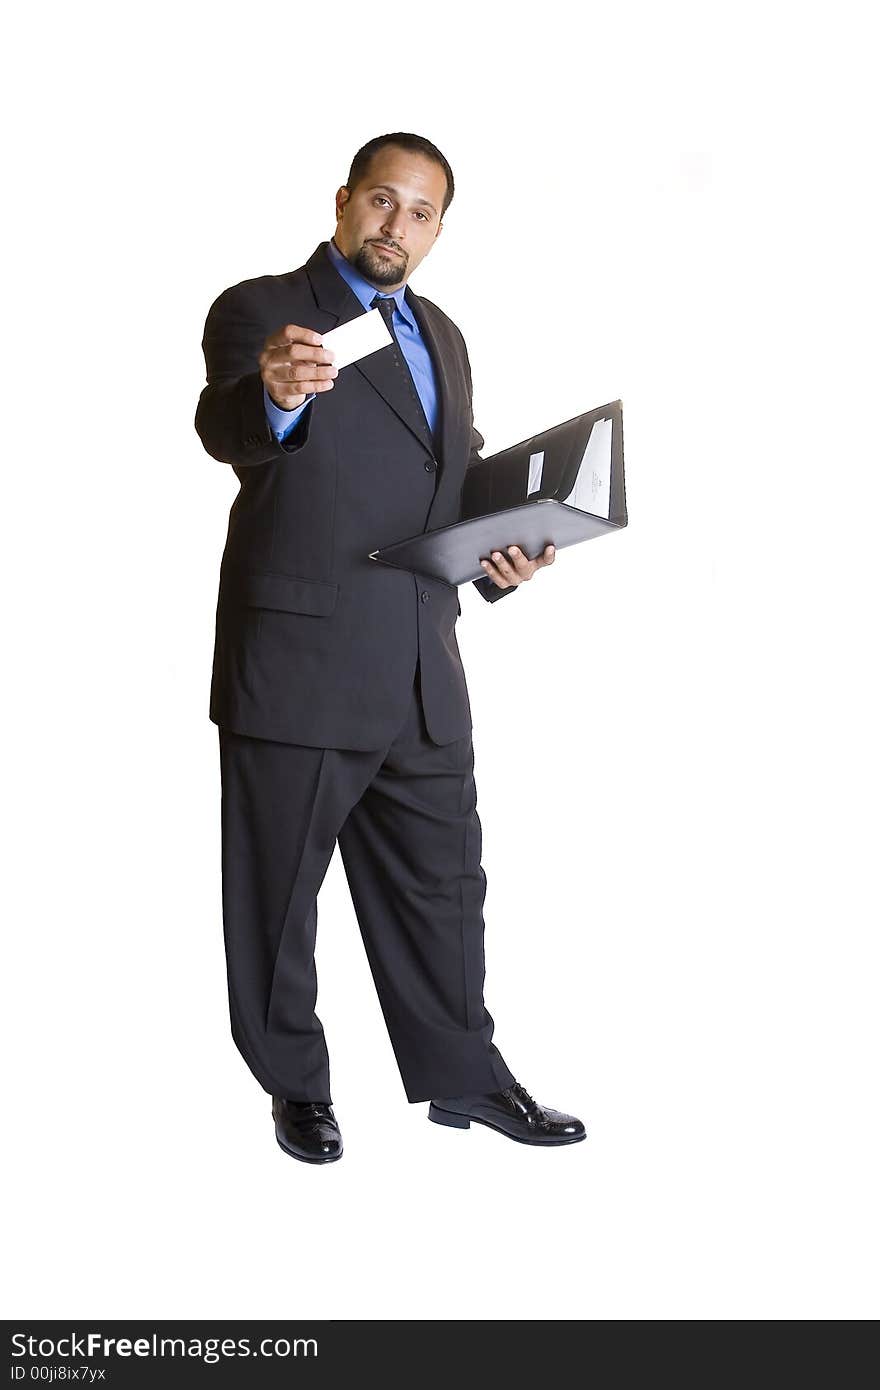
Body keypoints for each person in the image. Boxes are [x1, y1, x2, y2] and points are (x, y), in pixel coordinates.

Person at [194, 131, 586, 1163]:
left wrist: (496, 551)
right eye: (380, 200)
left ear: (437, 231)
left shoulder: (442, 334)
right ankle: (296, 1085)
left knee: (446, 885)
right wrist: (276, 395)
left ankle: (466, 1077)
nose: (394, 225)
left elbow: (442, 485)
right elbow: (227, 421)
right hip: (301, 659)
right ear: (343, 201)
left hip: (420, 658)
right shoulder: (264, 310)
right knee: (278, 895)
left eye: (418, 212)